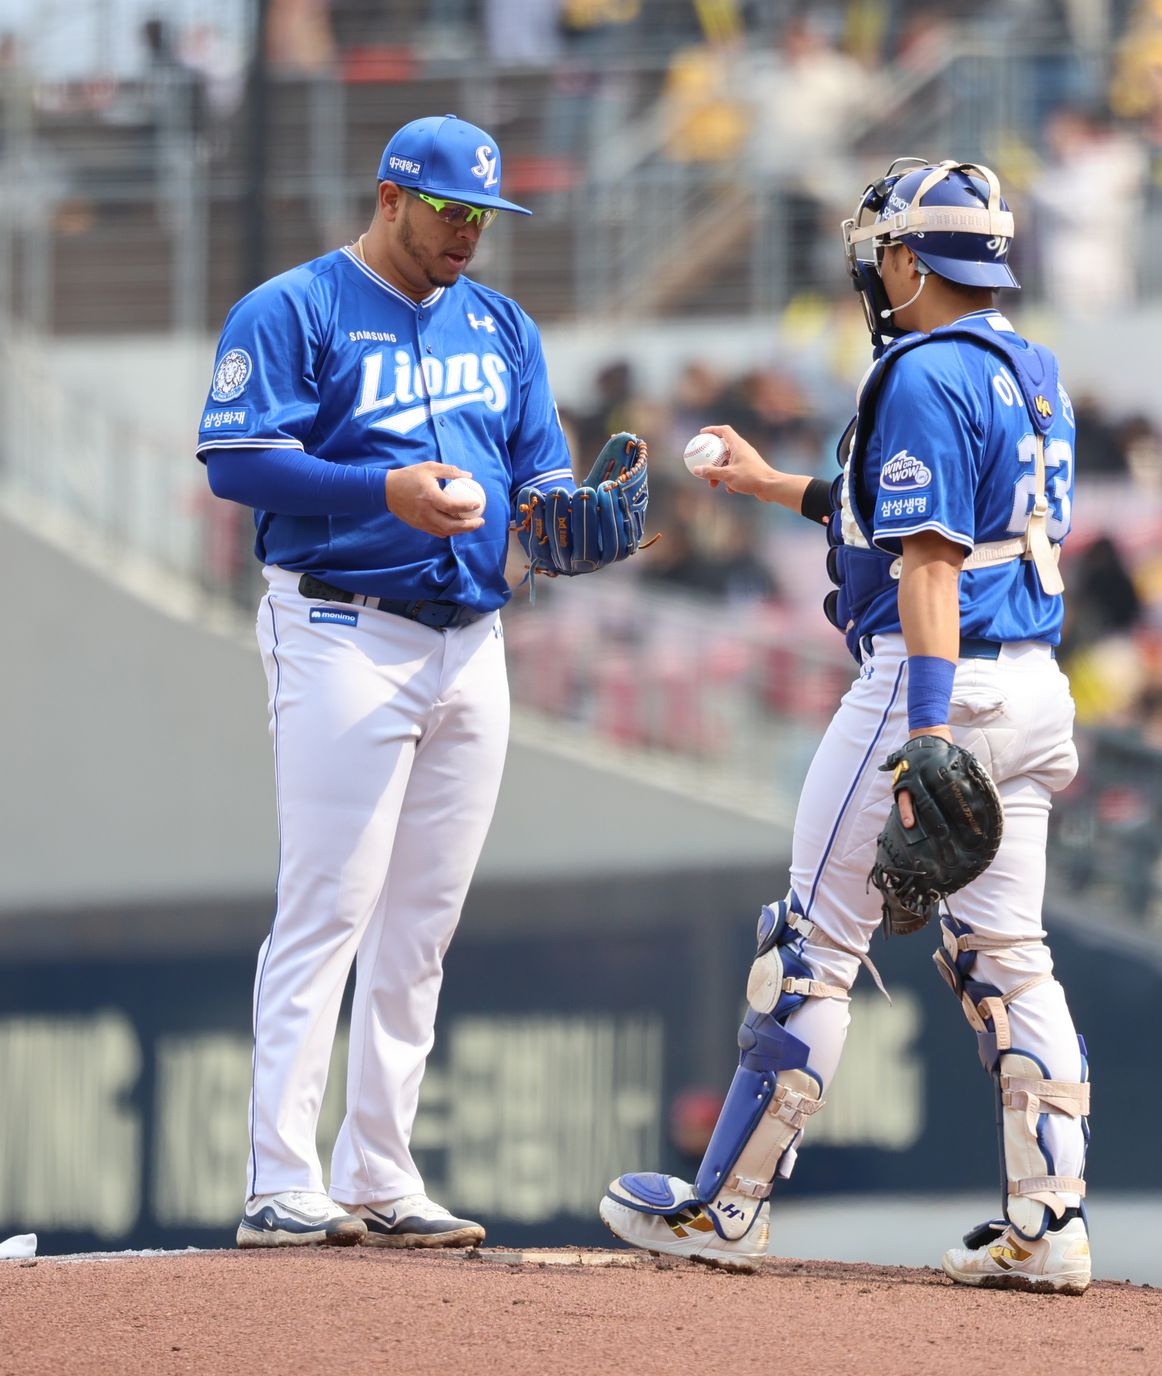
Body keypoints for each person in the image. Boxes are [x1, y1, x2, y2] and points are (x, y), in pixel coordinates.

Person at [597, 159, 1094, 1293]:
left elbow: (928, 562)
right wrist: (770, 483)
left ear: (910, 259)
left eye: (881, 255)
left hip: (936, 680)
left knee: (812, 944)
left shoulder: (920, 369)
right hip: (1032, 687)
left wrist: (925, 733)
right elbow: (902, 519)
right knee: (1010, 959)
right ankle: (1050, 1218)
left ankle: (726, 1205)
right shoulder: (1029, 367)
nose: (873, 274)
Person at [198, 115, 648, 1248]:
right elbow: (237, 460)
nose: (468, 233)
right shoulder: (294, 308)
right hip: (341, 627)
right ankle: (278, 1176)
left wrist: (572, 520)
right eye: (450, 210)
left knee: (421, 925)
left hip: (472, 638)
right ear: (390, 196)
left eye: (483, 215)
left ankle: (379, 1171)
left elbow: (538, 471)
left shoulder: (500, 325)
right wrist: (381, 490)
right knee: (328, 906)